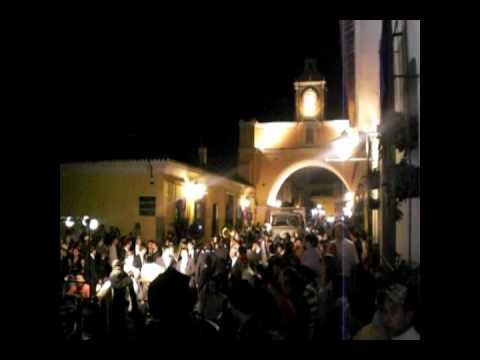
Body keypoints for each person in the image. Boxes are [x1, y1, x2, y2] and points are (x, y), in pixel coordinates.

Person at [331, 222, 359, 300]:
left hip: (346, 275)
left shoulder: (350, 244)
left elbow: (355, 262)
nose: (337, 232)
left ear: (343, 231)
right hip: (334, 276)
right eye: (336, 230)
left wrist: (354, 280)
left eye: (339, 230)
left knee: (346, 298)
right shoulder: (331, 244)